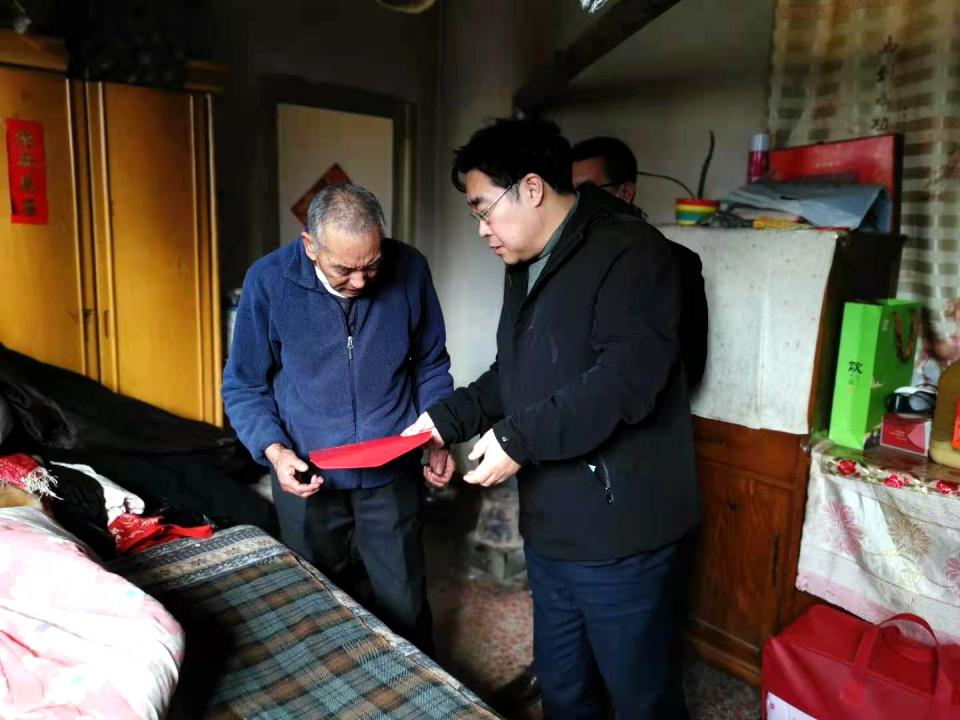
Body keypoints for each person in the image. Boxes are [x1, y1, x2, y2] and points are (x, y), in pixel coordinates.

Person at [405, 119, 701, 719]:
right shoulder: (526, 262)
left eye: (484, 208)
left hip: (620, 531)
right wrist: (443, 419)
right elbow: (512, 374)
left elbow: (625, 381)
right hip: (553, 523)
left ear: (533, 188)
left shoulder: (632, 251)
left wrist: (518, 438)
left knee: (641, 697)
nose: (481, 228)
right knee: (565, 688)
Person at [222, 184, 454, 651]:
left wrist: (438, 432)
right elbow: (244, 384)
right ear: (310, 246)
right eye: (344, 269)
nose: (361, 282)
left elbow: (431, 364)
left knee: (405, 602)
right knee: (316, 605)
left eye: (372, 265)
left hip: (391, 471)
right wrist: (275, 451)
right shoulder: (268, 281)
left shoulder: (410, 268)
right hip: (309, 473)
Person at [572, 135, 708, 388]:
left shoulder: (678, 263)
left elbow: (690, 367)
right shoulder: (565, 261)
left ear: (625, 192)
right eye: (571, 194)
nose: (577, 205)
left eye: (588, 192)